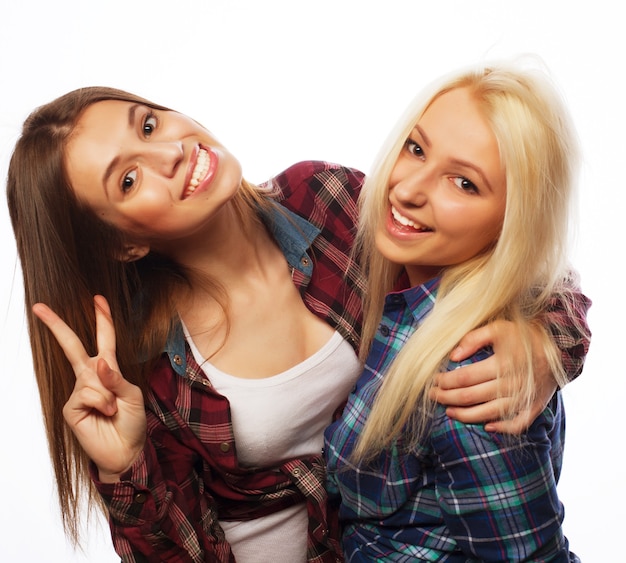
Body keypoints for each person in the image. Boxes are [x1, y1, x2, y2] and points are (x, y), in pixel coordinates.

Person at [6, 85, 589, 563]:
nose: (170, 155)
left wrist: (544, 340)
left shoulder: (326, 200)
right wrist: (122, 466)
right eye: (128, 180)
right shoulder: (148, 365)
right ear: (126, 243)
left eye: (149, 125)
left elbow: (492, 252)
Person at [324, 59, 591, 562]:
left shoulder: (469, 372)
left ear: (512, 221)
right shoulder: (388, 272)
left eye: (463, 183)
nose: (407, 190)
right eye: (416, 148)